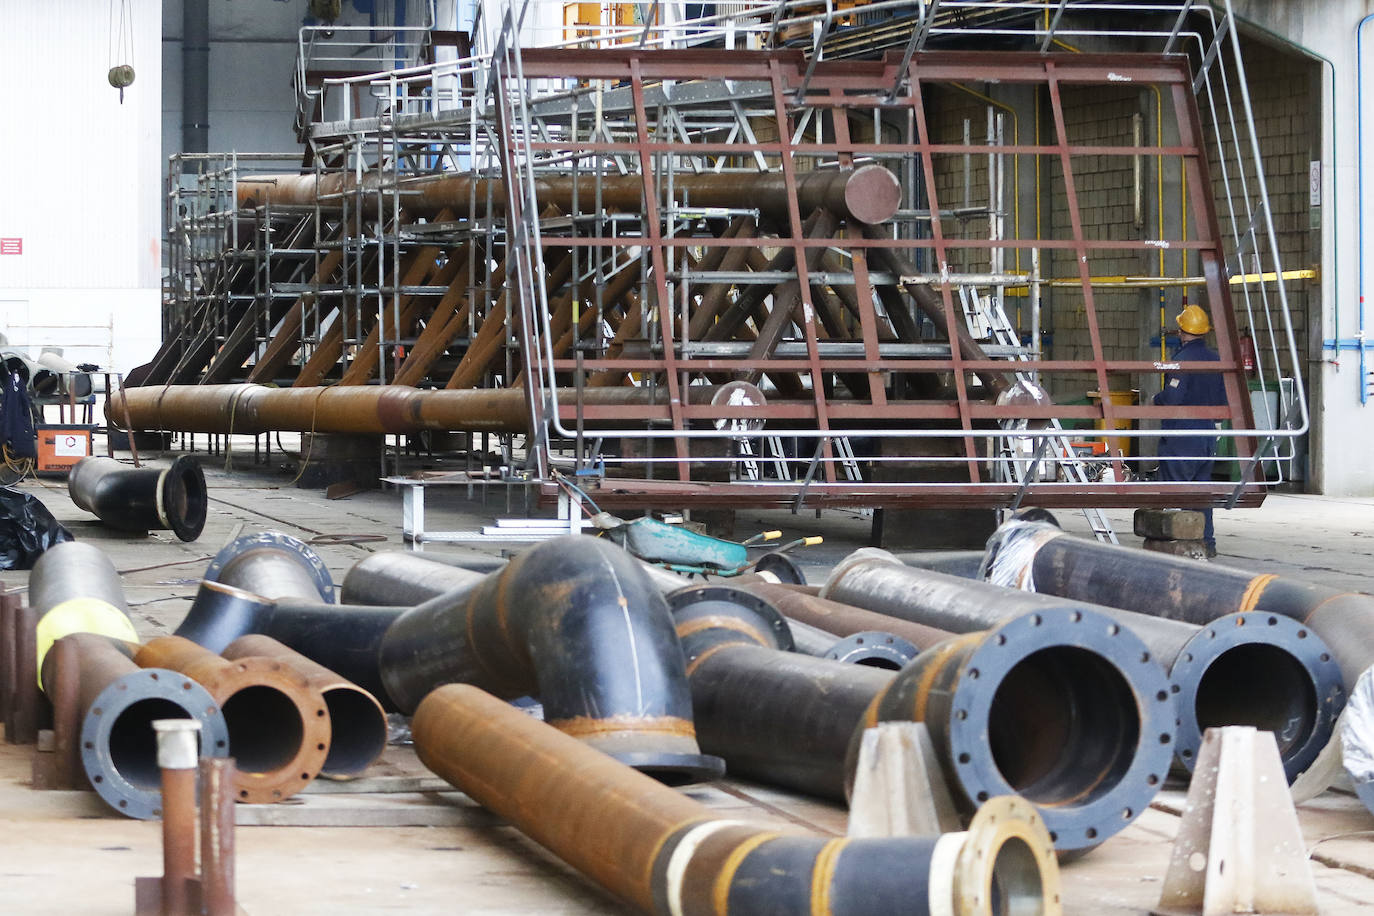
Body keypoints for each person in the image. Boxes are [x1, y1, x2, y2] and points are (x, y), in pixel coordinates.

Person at [1153, 304, 1227, 557]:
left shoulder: (1182, 360)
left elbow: (1172, 399)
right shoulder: (1216, 359)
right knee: (1200, 494)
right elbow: (1223, 399)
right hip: (1206, 437)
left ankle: (1176, 546)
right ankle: (1207, 544)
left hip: (1181, 437)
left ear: (1182, 331)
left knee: (1174, 494)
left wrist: (1156, 399)